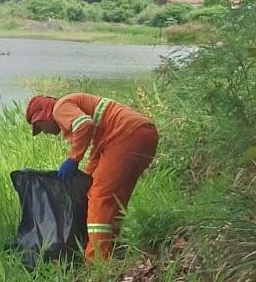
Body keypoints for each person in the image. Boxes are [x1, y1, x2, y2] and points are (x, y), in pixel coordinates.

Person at [25, 93, 158, 262]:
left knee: (99, 197)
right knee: (116, 198)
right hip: (144, 134)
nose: (44, 132)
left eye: (40, 126)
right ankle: (112, 248)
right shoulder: (78, 105)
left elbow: (84, 125)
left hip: (126, 136)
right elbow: (99, 147)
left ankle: (97, 262)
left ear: (43, 115)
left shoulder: (59, 108)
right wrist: (85, 178)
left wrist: (73, 159)